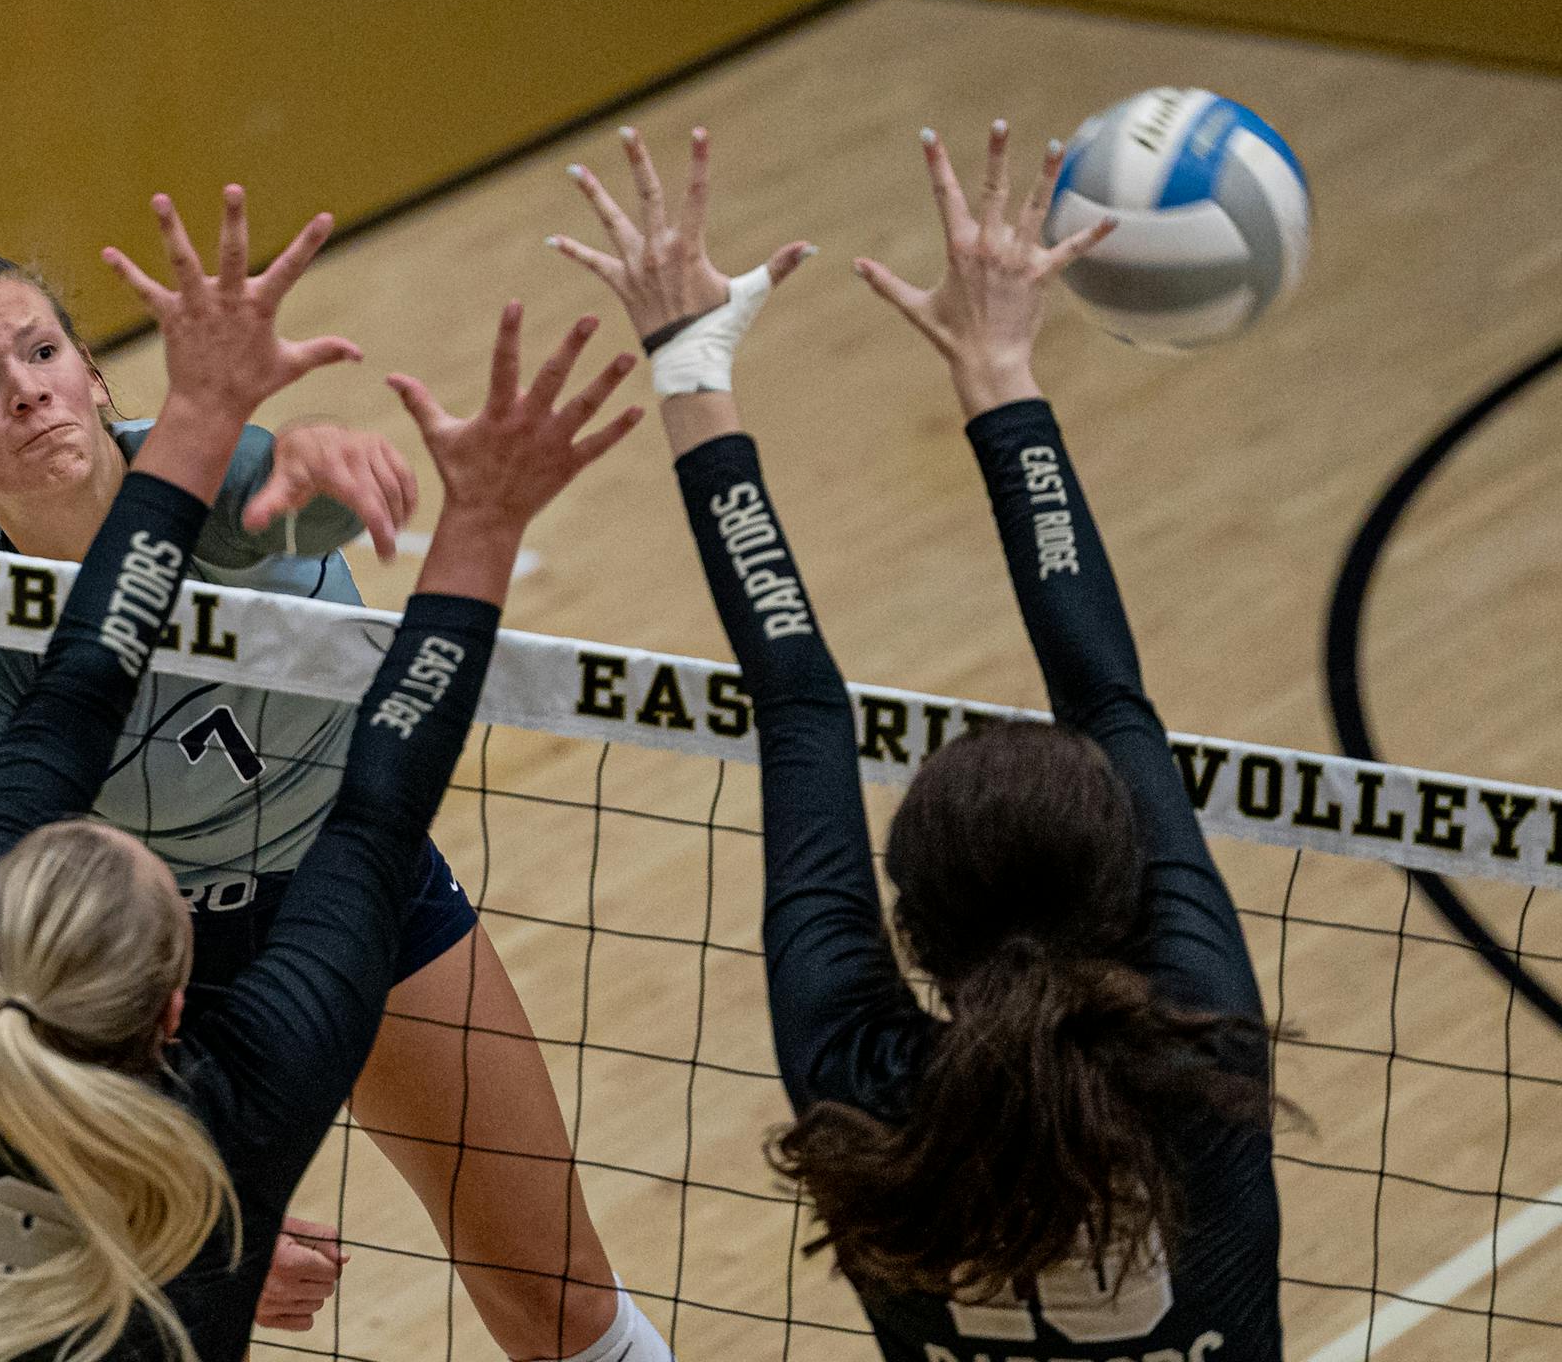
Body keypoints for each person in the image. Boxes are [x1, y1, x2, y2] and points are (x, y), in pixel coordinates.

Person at [0, 187, 670, 1359]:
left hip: (357, 896)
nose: (27, 388)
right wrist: (168, 1202)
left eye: (43, 352)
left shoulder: (217, 487)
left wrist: (331, 460)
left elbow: (285, 498)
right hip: (156, 974)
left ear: (93, 372)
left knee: (555, 1294)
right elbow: (32, 964)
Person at [549, 123, 1283, 1360]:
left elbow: (794, 706)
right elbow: (1107, 696)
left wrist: (689, 366)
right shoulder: (1196, 1053)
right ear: (1128, 897)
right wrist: (999, 368)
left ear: (907, 923)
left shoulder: (861, 1081)